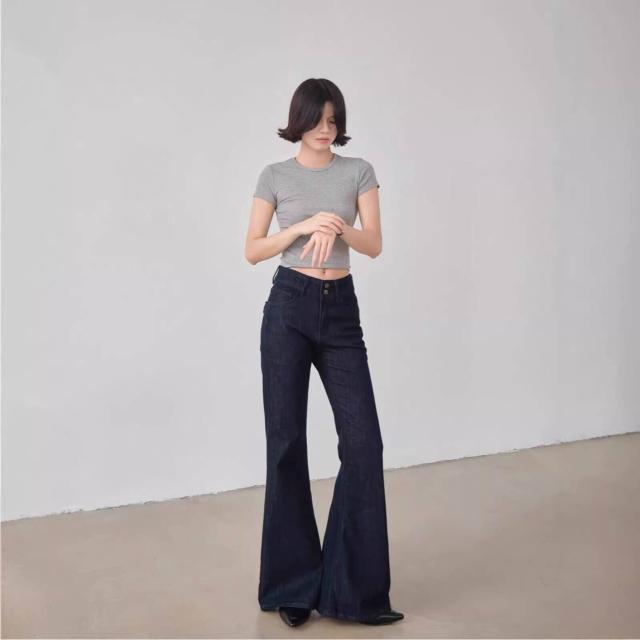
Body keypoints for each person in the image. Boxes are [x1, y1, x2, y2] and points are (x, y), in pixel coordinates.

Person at [244, 78, 404, 627]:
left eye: (334, 120)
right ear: (300, 119)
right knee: (286, 443)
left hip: (340, 312)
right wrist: (301, 228)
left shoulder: (358, 171)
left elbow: (374, 243)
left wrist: (339, 228)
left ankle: (352, 592)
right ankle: (292, 585)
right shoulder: (274, 175)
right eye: (317, 118)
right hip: (288, 308)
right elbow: (252, 250)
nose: (325, 129)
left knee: (364, 444)